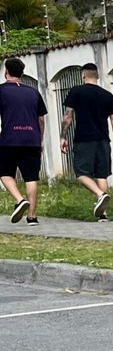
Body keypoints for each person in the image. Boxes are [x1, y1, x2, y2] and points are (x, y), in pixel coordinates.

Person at [60, 62, 113, 221]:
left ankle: (100, 194)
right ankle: (103, 214)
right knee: (101, 175)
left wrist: (63, 136)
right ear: (97, 76)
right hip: (103, 140)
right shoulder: (107, 95)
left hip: (84, 139)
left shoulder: (76, 92)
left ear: (83, 76)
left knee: (81, 173)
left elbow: (68, 117)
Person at [1, 56, 48, 225]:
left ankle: (20, 200)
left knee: (5, 173)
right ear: (22, 72)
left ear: (6, 71)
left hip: (9, 140)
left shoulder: (1, 90)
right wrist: (40, 140)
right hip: (32, 141)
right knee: (31, 177)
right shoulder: (33, 92)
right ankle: (32, 217)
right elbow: (41, 119)